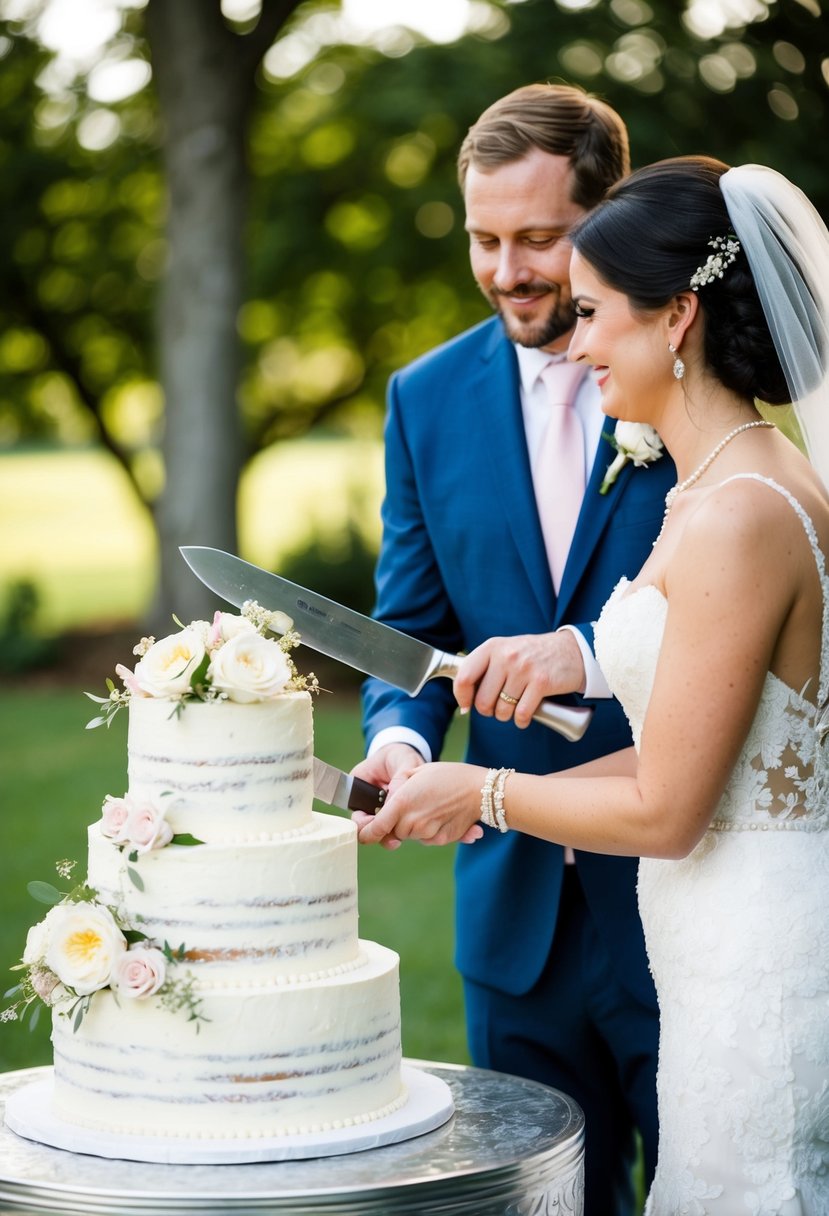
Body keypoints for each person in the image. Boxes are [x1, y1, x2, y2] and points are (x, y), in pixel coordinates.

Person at [356, 155, 829, 1214]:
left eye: (592, 311)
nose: (572, 346)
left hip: (755, 962)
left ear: (675, 318)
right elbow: (697, 744)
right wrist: (443, 778)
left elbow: (666, 808)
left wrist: (481, 794)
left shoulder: (738, 510)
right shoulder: (735, 482)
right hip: (711, 944)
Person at [352, 83, 677, 1216]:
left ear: (605, 219)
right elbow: (412, 627)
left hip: (687, 893)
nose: (506, 269)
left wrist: (580, 648)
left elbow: (740, 599)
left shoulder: (686, 385)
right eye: (485, 238)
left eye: (538, 237)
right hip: (514, 926)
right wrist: (398, 738)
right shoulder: (423, 398)